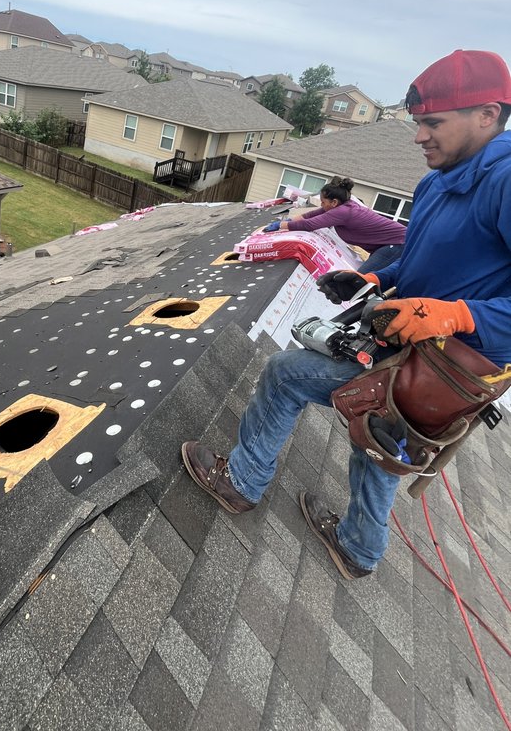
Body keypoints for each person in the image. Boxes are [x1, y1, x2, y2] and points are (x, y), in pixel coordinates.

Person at [182, 49, 511, 580]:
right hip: (405, 345)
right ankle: (359, 548)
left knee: (285, 375)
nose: (419, 136)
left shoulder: (505, 182)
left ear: (487, 115)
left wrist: (453, 315)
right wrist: (375, 279)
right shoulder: (437, 181)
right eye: (417, 122)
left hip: (447, 368)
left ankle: (240, 483)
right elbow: (424, 256)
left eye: (433, 122)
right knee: (381, 434)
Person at [264, 176, 406, 274]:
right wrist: (289, 221)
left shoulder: (343, 212)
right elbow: (311, 215)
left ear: (334, 202)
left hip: (398, 243)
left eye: (323, 202)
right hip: (388, 244)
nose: (321, 204)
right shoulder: (342, 207)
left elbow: (310, 224)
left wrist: (281, 225)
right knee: (370, 275)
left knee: (359, 278)